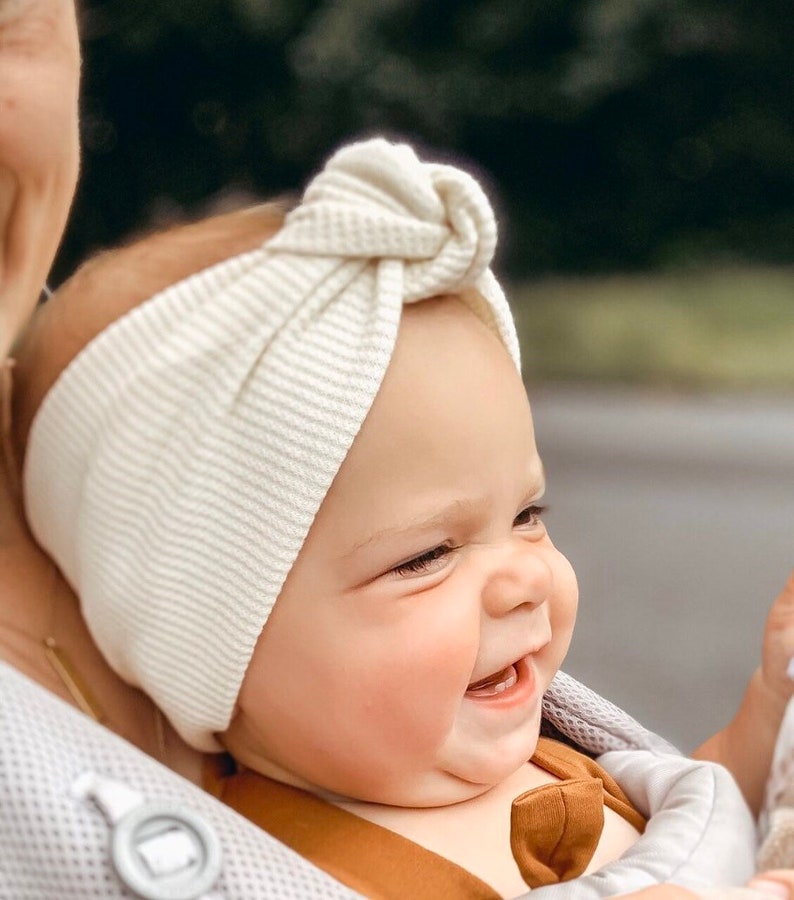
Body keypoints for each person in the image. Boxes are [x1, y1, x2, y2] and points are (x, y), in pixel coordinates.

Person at [11, 135, 794, 899]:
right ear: (211, 644)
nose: (524, 577)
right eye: (425, 557)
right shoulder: (284, 871)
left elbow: (710, 824)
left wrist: (765, 717)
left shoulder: (560, 755)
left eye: (527, 513)